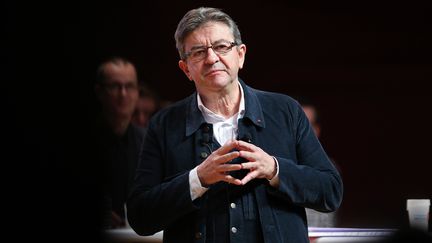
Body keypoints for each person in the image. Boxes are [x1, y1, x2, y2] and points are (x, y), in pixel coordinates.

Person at [127, 7, 343, 243]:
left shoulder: (286, 111)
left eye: (221, 47)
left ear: (240, 55)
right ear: (186, 68)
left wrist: (274, 168)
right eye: (198, 52)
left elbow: (330, 191)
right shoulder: (164, 124)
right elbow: (140, 216)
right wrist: (197, 179)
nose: (211, 58)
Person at [92, 57, 145, 229]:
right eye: (115, 86)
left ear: (137, 92)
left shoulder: (147, 141)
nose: (123, 94)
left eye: (129, 86)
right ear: (99, 92)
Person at [300, 100, 339, 227]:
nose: (301, 132)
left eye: (308, 126)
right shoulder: (270, 167)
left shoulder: (329, 168)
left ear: (317, 130)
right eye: (297, 125)